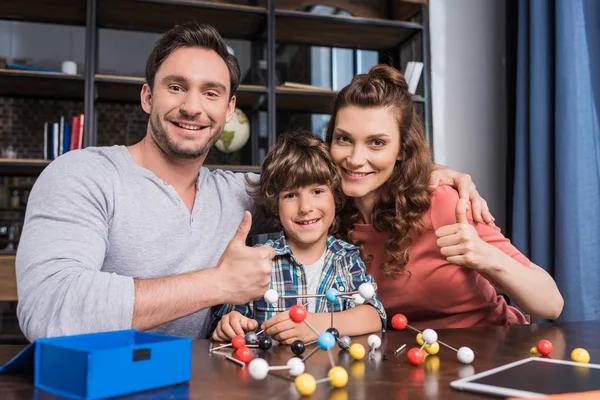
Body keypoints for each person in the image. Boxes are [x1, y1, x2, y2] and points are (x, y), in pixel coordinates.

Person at [15, 21, 489, 342]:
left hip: (205, 380)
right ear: (147, 96)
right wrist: (217, 284)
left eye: (211, 93)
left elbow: (327, 180)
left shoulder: (236, 192)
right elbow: (50, 311)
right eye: (176, 86)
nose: (193, 107)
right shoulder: (83, 176)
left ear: (229, 110)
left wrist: (425, 171)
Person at [325, 64, 564, 329]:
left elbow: (551, 303)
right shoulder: (325, 214)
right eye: (344, 139)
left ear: (402, 149)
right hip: (403, 359)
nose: (356, 159)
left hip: (491, 347)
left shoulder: (442, 203)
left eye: (377, 143)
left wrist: (485, 257)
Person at [211, 131, 385, 344]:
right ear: (275, 204)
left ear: (336, 197)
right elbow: (227, 320)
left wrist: (317, 325)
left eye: (317, 191)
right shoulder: (259, 262)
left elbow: (374, 315)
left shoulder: (346, 258)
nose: (305, 208)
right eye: (291, 195)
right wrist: (230, 323)